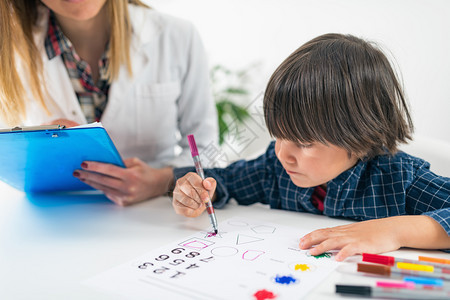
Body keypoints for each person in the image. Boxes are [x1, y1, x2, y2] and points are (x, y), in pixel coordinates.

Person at [171, 33, 450, 261]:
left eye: (304, 143)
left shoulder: (401, 180)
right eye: (279, 136)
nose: (284, 154)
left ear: (363, 136)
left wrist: (395, 231)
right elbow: (223, 180)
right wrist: (196, 190)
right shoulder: (274, 169)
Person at [0, 0, 218, 205]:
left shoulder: (177, 36)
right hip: (57, 218)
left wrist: (161, 181)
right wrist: (44, 144)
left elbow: (207, 152)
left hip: (157, 218)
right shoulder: (10, 46)